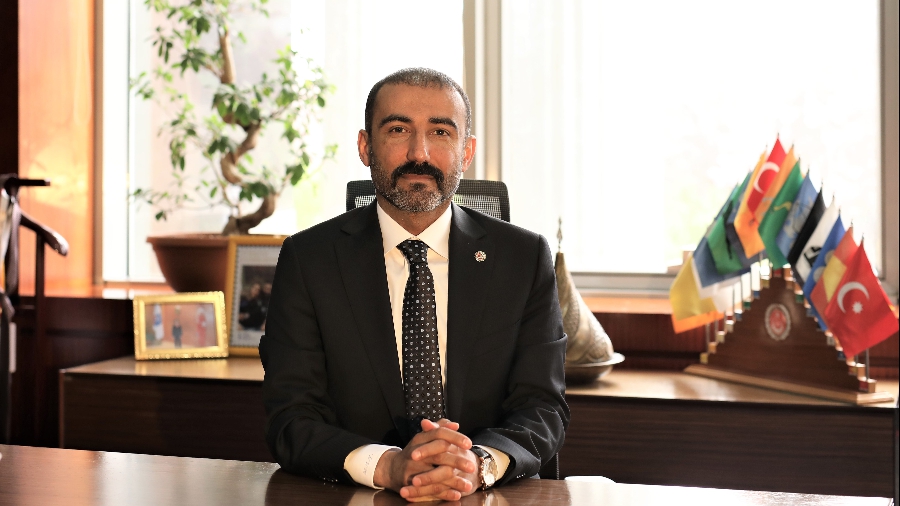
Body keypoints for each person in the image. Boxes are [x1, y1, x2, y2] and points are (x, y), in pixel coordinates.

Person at [259, 68, 568, 502]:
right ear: (365, 147)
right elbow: (291, 417)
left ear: (466, 152)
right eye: (398, 130)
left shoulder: (524, 259)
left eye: (440, 132)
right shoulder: (309, 260)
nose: (419, 153)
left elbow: (542, 408)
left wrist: (474, 465)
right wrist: (388, 466)